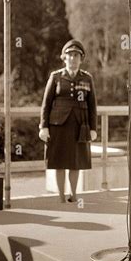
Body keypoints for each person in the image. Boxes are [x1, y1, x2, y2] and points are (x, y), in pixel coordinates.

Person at [39, 40, 97, 203]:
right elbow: (46, 103)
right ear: (64, 58)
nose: (73, 58)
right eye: (70, 55)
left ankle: (74, 195)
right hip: (57, 125)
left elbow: (92, 106)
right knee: (58, 161)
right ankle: (61, 197)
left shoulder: (87, 78)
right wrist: (44, 126)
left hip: (80, 126)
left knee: (75, 161)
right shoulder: (56, 77)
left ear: (81, 59)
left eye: (76, 56)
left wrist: (93, 128)